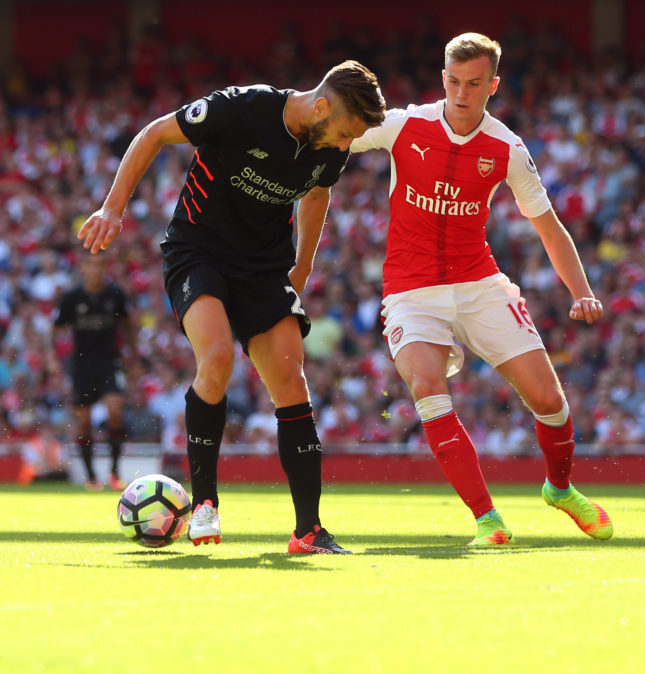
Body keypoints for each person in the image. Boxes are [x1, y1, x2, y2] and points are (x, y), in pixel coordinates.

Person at [78, 60, 387, 554]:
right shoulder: (241, 107)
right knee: (217, 356)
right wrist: (112, 206)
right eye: (347, 133)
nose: (347, 145)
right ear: (322, 106)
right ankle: (204, 506)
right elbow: (156, 133)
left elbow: (317, 195)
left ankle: (308, 531)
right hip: (197, 251)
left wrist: (302, 266)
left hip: (263, 268)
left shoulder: (330, 148)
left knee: (291, 380)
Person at [350, 32, 612, 547]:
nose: (461, 94)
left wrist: (582, 289)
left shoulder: (508, 148)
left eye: (473, 84)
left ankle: (559, 488)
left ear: (493, 85)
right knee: (427, 386)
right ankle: (486, 518)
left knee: (548, 398)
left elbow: (548, 225)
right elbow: (333, 133)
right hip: (411, 291)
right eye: (452, 81)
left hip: (480, 284)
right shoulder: (403, 125)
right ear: (441, 77)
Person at [54, 254, 133, 490]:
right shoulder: (71, 298)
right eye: (91, 265)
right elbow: (56, 328)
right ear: (83, 268)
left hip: (109, 362)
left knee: (116, 410)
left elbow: (127, 325)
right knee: (84, 423)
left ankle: (115, 472)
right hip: (82, 367)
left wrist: (134, 355)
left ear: (105, 267)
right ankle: (91, 477)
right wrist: (53, 358)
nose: (95, 269)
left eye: (100, 264)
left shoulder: (115, 295)